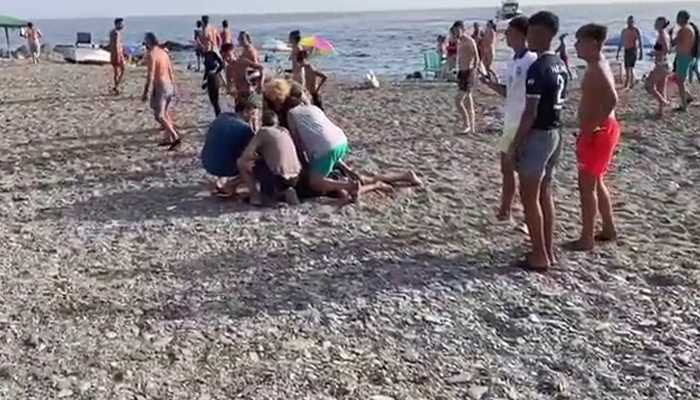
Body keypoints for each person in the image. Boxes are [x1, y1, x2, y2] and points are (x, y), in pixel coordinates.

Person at [509, 11, 568, 271]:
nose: (528, 37)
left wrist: (515, 143)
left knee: (530, 197)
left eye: (531, 32)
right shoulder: (560, 63)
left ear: (540, 33)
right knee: (545, 194)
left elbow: (530, 113)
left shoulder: (538, 66)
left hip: (539, 134)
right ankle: (548, 250)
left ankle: (540, 255)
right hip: (555, 132)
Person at [481, 16, 537, 222]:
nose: (505, 37)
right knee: (505, 165)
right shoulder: (512, 61)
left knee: (524, 173)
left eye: (509, 33)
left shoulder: (531, 60)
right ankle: (505, 209)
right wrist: (490, 85)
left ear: (522, 34)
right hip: (510, 121)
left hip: (524, 122)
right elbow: (509, 92)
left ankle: (524, 216)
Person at [569, 23, 619, 251]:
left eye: (580, 42)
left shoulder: (597, 67)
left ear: (594, 44)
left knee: (586, 185)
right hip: (602, 129)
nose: (576, 45)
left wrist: (592, 127)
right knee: (596, 181)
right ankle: (608, 228)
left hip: (599, 132)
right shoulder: (596, 65)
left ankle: (587, 238)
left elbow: (612, 99)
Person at [238, 110, 302, 206]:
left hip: (278, 177)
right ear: (277, 122)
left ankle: (255, 197)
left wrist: (256, 157)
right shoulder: (284, 131)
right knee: (270, 165)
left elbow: (246, 154)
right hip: (296, 176)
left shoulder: (263, 132)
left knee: (241, 162)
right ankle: (285, 191)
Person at [201, 99, 257, 197]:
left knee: (226, 148)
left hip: (207, 162)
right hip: (223, 166)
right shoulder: (244, 129)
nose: (254, 117)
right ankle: (230, 185)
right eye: (252, 114)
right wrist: (254, 125)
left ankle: (222, 179)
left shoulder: (222, 117)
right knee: (256, 165)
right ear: (245, 112)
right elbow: (254, 148)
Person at [141, 32, 180, 150]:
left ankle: (175, 137)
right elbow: (170, 70)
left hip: (161, 86)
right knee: (165, 113)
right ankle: (168, 137)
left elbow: (151, 74)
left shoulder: (152, 54)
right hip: (168, 85)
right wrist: (174, 86)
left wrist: (146, 91)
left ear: (149, 42)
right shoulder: (163, 52)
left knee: (159, 115)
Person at [232, 31, 265, 129]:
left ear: (246, 39)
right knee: (247, 113)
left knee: (251, 113)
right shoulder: (245, 50)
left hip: (248, 86)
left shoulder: (250, 51)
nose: (239, 41)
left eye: (241, 39)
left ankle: (253, 133)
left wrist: (259, 84)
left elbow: (257, 69)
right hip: (243, 86)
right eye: (239, 39)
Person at [453, 20, 480, 133]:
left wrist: (473, 71)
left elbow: (477, 57)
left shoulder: (470, 41)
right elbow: (460, 58)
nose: (456, 33)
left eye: (458, 30)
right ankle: (472, 127)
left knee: (458, 100)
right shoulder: (459, 42)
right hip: (461, 72)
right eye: (454, 31)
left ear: (463, 30)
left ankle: (467, 124)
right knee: (469, 100)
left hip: (468, 72)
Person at [646, 17, 671, 117]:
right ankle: (661, 112)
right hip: (665, 63)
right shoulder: (665, 34)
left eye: (656, 22)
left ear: (660, 24)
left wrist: (654, 53)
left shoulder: (662, 35)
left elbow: (665, 50)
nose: (654, 24)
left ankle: (664, 102)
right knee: (661, 88)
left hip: (661, 64)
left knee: (648, 85)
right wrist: (655, 53)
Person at [671, 10, 695, 111]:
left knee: (680, 81)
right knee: (678, 79)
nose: (676, 19)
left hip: (683, 57)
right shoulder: (690, 28)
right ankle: (688, 96)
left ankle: (684, 105)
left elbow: (674, 42)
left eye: (678, 17)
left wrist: (672, 32)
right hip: (687, 56)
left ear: (682, 18)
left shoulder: (683, 30)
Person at [616, 15, 643, 89]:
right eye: (629, 21)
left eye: (631, 22)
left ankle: (631, 83)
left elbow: (640, 41)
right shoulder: (624, 31)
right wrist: (618, 52)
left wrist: (641, 52)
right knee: (626, 67)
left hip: (633, 49)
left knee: (630, 67)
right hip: (626, 50)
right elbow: (621, 41)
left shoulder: (635, 30)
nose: (630, 23)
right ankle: (627, 83)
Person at [201, 45, 225, 116]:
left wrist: (216, 71)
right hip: (209, 78)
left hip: (215, 78)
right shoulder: (206, 54)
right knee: (212, 100)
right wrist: (204, 80)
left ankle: (219, 116)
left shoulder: (214, 53)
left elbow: (222, 64)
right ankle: (217, 115)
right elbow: (206, 69)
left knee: (215, 100)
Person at [108, 18, 126, 94]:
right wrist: (118, 54)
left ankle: (116, 86)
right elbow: (116, 45)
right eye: (121, 24)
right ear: (117, 24)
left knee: (117, 71)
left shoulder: (113, 32)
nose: (122, 25)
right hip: (117, 54)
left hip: (115, 53)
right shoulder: (116, 33)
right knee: (122, 70)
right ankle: (116, 86)